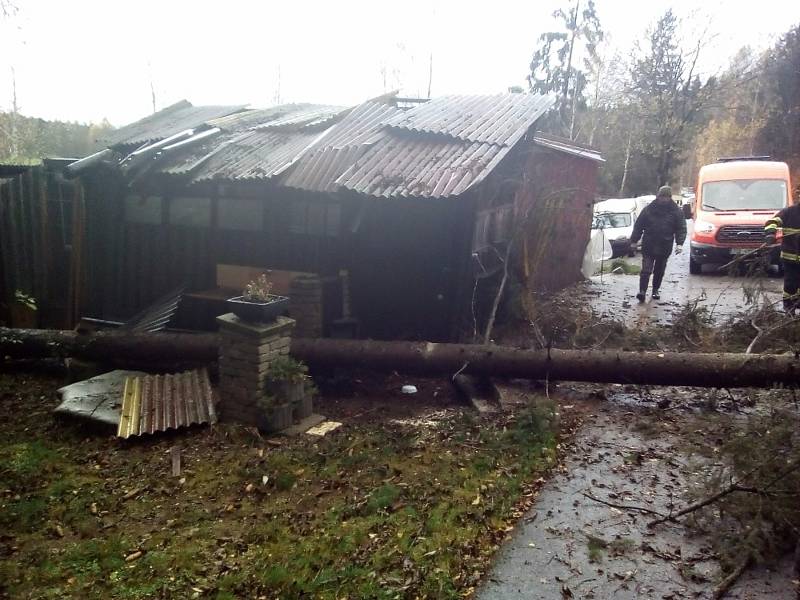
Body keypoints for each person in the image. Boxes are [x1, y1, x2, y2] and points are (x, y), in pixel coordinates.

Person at [629, 185, 687, 302]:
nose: (663, 199)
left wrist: (679, 243)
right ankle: (642, 291)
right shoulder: (648, 209)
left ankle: (655, 290)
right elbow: (639, 226)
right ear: (658, 196)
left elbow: (681, 228)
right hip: (649, 244)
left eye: (666, 197)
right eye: (661, 197)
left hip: (665, 245)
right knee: (646, 269)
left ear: (670, 198)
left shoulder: (676, 212)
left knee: (659, 270)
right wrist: (634, 241)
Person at [764, 201, 800, 314]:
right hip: (790, 258)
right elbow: (772, 222)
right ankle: (789, 309)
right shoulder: (789, 212)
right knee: (790, 284)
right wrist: (770, 234)